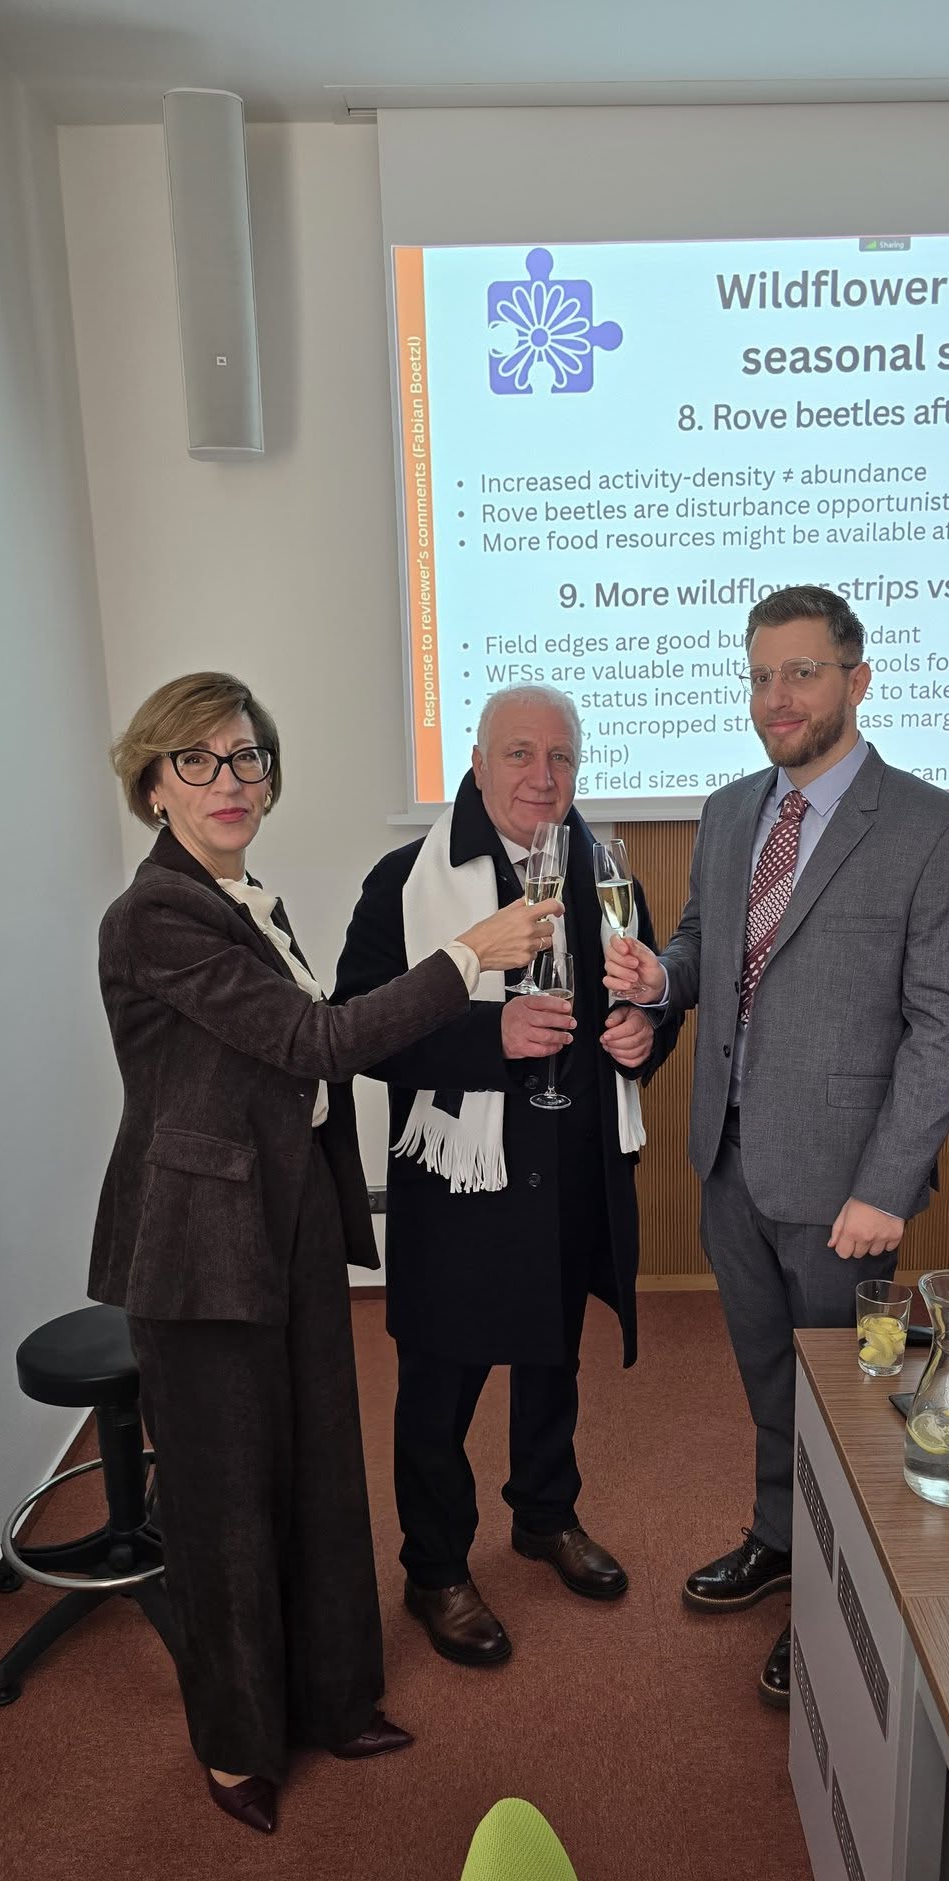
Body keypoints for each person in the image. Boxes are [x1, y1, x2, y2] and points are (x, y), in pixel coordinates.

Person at [88, 671, 558, 1832]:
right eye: (198, 759)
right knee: (223, 1503)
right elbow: (316, 1039)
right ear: (153, 783)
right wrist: (467, 956)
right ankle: (237, 1743)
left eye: (246, 756)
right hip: (197, 1245)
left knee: (316, 1469)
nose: (230, 779)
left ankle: (337, 1698)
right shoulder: (154, 915)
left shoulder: (246, 897)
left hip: (286, 1216)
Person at [604, 585, 949, 1703]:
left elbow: (943, 1026)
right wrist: (661, 979)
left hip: (845, 1191)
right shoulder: (731, 811)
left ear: (857, 681)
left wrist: (888, 1186)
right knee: (770, 1378)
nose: (778, 696)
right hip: (727, 1162)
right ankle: (780, 1538)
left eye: (803, 672)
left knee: (853, 1404)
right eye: (762, 675)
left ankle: (836, 1601)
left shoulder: (938, 830)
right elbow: (702, 945)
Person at [333, 686, 679, 1665]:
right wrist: (490, 1036)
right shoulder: (405, 883)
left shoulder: (607, 877)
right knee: (439, 1389)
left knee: (551, 1358)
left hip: (571, 1171)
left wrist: (646, 1033)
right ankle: (435, 1566)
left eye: (561, 757)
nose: (542, 775)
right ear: (477, 765)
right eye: (519, 753)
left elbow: (649, 1002)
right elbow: (358, 1028)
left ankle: (544, 1514)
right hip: (462, 1184)